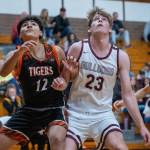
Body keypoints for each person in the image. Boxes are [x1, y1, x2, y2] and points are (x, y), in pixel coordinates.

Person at [62, 7, 150, 150]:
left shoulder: (120, 56)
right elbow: (63, 83)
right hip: (75, 113)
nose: (100, 20)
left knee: (121, 148)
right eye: (96, 19)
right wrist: (70, 76)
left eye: (104, 19)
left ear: (110, 29)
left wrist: (141, 126)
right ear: (90, 28)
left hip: (103, 114)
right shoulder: (77, 48)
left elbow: (127, 94)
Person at [0, 16, 71, 150]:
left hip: (54, 109)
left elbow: (67, 75)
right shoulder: (15, 54)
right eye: (25, 25)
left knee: (57, 139)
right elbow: (3, 72)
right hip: (29, 111)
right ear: (20, 34)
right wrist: (19, 52)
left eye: (33, 24)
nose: (29, 25)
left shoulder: (56, 51)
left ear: (40, 33)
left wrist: (64, 82)